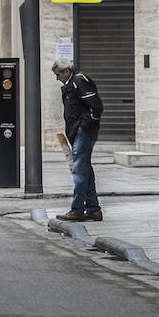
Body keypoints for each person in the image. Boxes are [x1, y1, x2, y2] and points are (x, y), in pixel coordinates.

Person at [53, 57, 104, 222]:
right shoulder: (69, 85)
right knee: (85, 170)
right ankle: (94, 209)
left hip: (84, 132)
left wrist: (84, 127)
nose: (57, 78)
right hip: (77, 132)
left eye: (58, 74)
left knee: (79, 171)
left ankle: (77, 210)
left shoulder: (79, 81)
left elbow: (96, 107)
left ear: (67, 71)